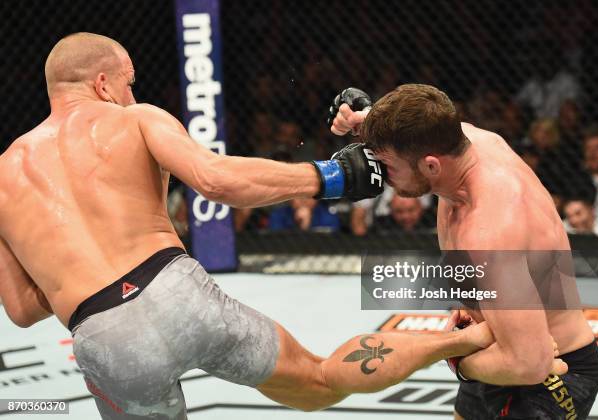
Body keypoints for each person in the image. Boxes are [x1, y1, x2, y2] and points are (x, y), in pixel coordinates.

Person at [0, 33, 507, 419]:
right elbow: (215, 180)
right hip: (175, 292)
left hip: (99, 333)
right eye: (129, 83)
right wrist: (328, 177)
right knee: (320, 380)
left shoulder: (4, 174)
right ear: (103, 83)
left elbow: (21, 310)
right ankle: (458, 342)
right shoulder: (132, 119)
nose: (132, 94)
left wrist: (78, 270)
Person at [330, 84, 598, 419]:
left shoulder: (490, 232)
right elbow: (423, 118)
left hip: (548, 373)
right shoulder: (460, 141)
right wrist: (366, 119)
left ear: (431, 166)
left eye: (389, 166)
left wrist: (458, 359)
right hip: (495, 347)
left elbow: (528, 363)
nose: (382, 177)